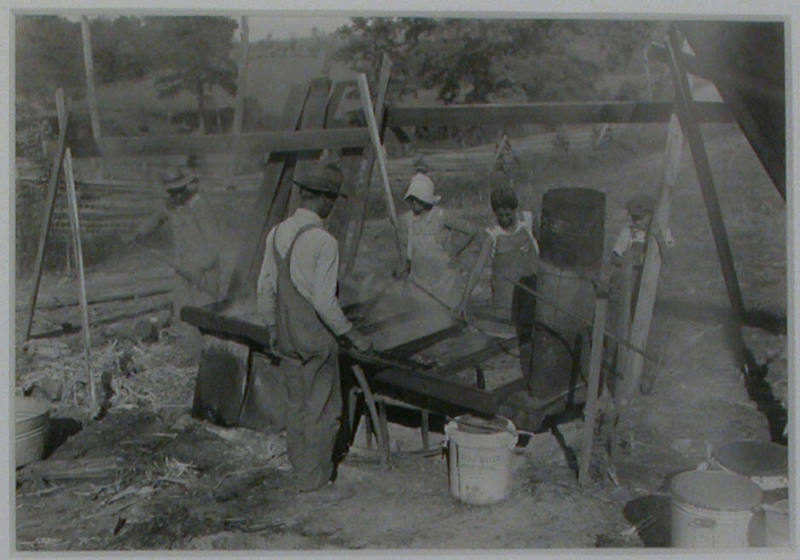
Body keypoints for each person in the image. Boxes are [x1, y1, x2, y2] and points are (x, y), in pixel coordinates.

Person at [256, 162, 372, 492]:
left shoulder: (277, 233)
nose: (332, 206)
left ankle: (300, 471)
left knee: (296, 406)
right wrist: (353, 335)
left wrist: (272, 329)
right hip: (317, 337)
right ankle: (316, 481)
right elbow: (324, 302)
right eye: (332, 199)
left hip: (287, 334)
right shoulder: (324, 241)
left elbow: (265, 287)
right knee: (323, 409)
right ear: (321, 199)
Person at [131, 159, 224, 357]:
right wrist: (140, 232)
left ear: (185, 186)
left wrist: (202, 266)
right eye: (171, 192)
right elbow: (157, 218)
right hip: (182, 267)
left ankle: (208, 353)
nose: (175, 195)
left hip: (204, 272)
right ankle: (187, 353)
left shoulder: (200, 205)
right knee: (182, 312)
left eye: (177, 190)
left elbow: (214, 242)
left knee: (205, 314)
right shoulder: (172, 204)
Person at [457, 184, 540, 320]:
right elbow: (477, 269)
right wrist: (464, 301)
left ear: (515, 209)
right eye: (500, 215)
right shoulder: (493, 235)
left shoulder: (528, 223)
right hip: (505, 302)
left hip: (531, 296)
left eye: (508, 214)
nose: (504, 219)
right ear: (495, 213)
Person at [396, 172, 466, 309]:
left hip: (444, 280)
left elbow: (473, 230)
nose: (414, 202)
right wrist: (404, 267)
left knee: (447, 316)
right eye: (412, 199)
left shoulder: (441, 215)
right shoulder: (406, 220)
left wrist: (456, 252)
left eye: (418, 198)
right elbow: (406, 250)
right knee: (424, 316)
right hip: (420, 280)